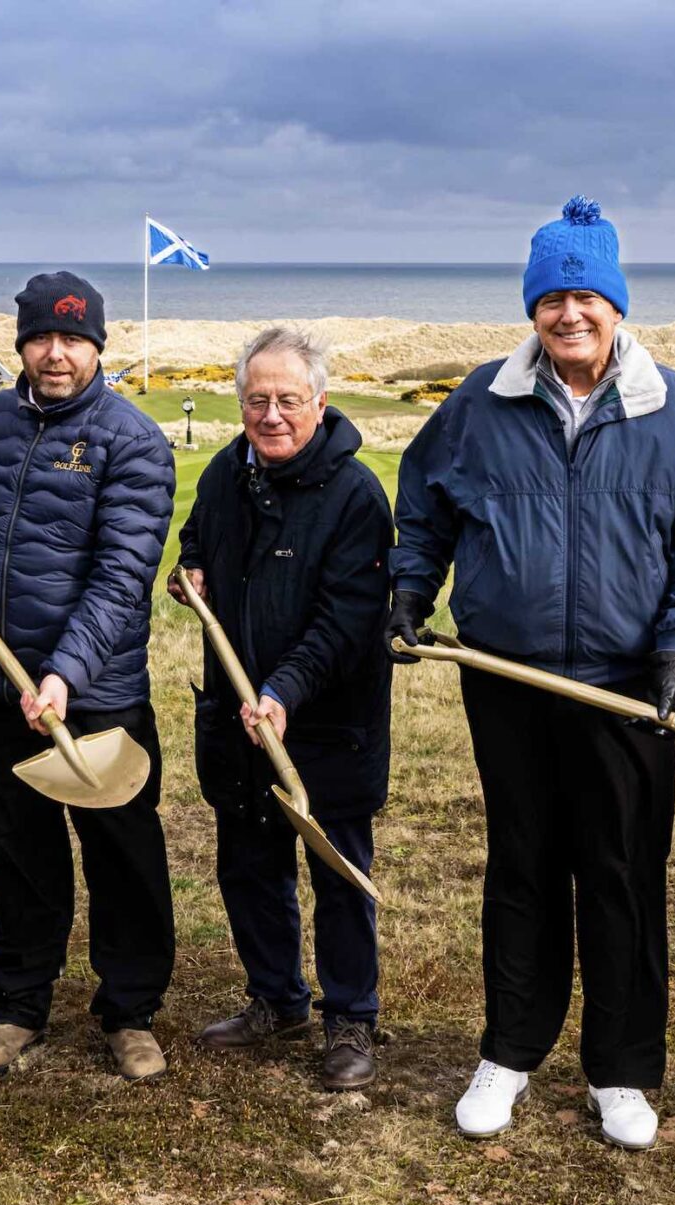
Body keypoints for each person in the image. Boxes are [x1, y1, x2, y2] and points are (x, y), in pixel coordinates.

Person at [391, 197, 675, 1150]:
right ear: (533, 309)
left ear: (618, 306)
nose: (570, 314)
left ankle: (623, 1071)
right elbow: (424, 509)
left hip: (629, 686)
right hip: (507, 679)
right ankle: (509, 1051)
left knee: (623, 874)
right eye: (553, 297)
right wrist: (410, 591)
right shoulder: (481, 401)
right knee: (523, 868)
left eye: (588, 294)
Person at [0, 272, 178, 1082]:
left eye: (74, 340)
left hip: (97, 693)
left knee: (122, 854)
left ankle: (130, 1011)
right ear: (21, 343)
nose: (57, 353)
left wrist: (65, 677)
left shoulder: (133, 440)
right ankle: (18, 1004)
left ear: (98, 348)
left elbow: (124, 577)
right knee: (15, 849)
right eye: (43, 337)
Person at [170, 326, 393, 1091]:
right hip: (236, 715)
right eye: (256, 399)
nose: (271, 414)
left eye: (287, 400)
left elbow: (345, 619)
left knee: (338, 873)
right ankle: (276, 998)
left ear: (320, 403)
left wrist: (284, 691)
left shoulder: (357, 496)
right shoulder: (223, 476)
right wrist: (188, 569)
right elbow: (195, 541)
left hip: (325, 726)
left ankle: (350, 1019)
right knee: (249, 867)